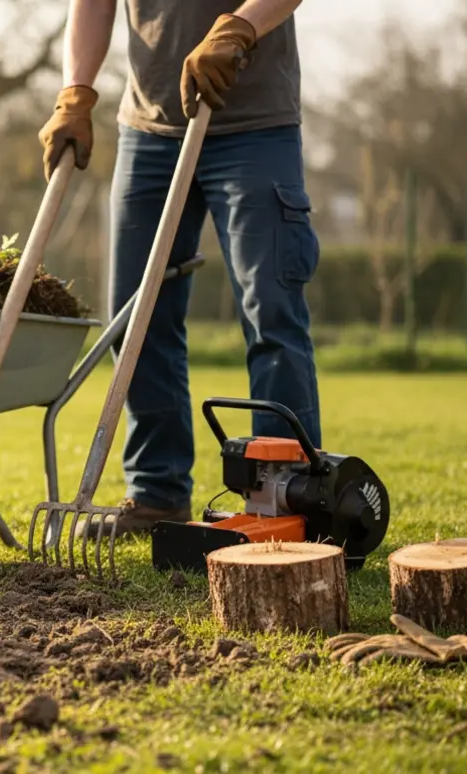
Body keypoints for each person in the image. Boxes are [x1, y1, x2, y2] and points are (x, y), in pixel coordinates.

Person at [38, 0, 322, 538]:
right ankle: (157, 494)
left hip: (254, 126)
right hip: (148, 131)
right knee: (137, 317)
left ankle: (285, 496)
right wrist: (75, 90)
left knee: (271, 311)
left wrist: (241, 27)